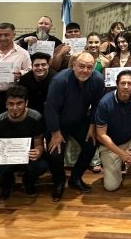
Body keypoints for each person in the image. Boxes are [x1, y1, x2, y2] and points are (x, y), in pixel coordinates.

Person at [45, 52, 105, 200]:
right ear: (73, 66)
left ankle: (75, 178)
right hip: (58, 123)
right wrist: (55, 133)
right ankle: (59, 182)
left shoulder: (97, 79)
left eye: (89, 67)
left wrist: (92, 126)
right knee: (55, 153)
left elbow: (97, 104)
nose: (85, 70)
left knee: (91, 144)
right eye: (81, 66)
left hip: (80, 121)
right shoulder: (59, 80)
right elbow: (51, 108)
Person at [0, 86, 47, 200]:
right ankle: (6, 183)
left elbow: (39, 144)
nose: (15, 108)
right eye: (11, 104)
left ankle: (28, 181)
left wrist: (38, 151)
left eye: (19, 103)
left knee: (42, 166)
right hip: (6, 159)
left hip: (28, 158)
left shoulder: (35, 117)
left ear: (26, 103)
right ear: (6, 104)